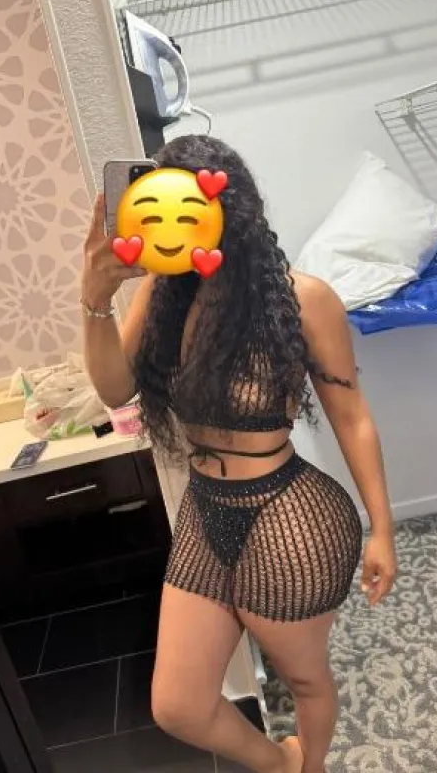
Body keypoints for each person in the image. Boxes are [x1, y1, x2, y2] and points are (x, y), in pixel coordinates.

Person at [81, 135, 397, 773]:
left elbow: (352, 416)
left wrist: (383, 528)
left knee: (304, 680)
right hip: (205, 511)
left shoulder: (303, 298)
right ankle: (281, 764)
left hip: (288, 515)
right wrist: (94, 298)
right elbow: (116, 390)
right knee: (178, 705)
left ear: (227, 209)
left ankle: (311, 766)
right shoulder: (163, 296)